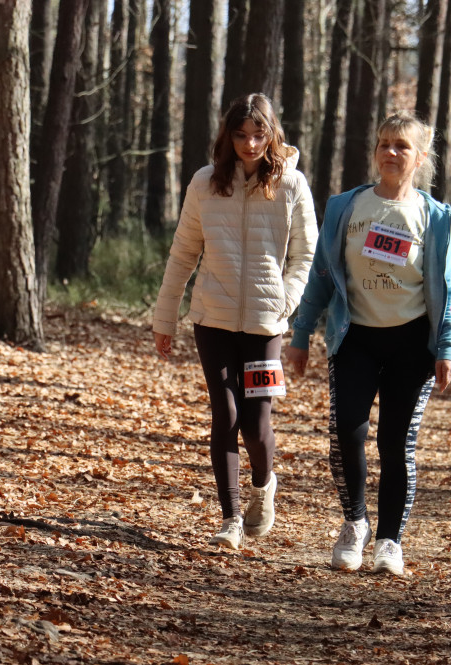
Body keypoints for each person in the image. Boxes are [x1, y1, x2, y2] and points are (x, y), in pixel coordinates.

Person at [287, 111, 451, 576]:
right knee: (346, 431)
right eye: (384, 143)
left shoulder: (434, 215)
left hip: (411, 344)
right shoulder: (347, 207)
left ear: (420, 157)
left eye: (402, 146)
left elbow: (448, 288)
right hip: (355, 337)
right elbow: (322, 277)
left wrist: (447, 347)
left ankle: (389, 540)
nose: (390, 152)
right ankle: (355, 523)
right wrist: (300, 334)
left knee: (396, 440)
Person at [153, 93, 318, 550]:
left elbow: (306, 252)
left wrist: (286, 300)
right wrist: (165, 316)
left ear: (272, 134)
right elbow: (184, 252)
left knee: (256, 420)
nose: (250, 144)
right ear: (227, 137)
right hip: (213, 318)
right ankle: (229, 517)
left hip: (267, 324)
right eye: (241, 135)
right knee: (224, 413)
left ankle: (264, 487)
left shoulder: (292, 184)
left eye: (258, 135)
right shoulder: (206, 183)